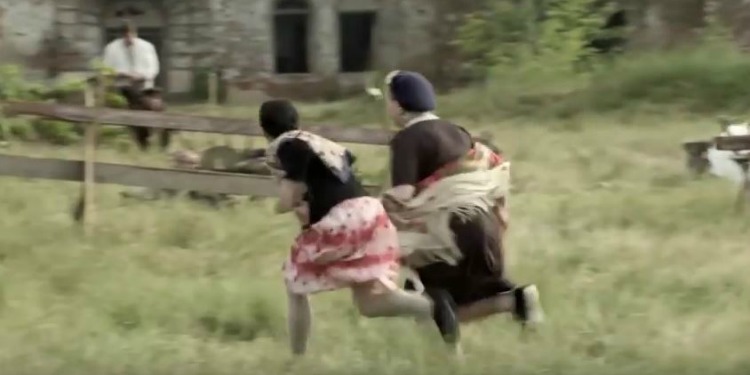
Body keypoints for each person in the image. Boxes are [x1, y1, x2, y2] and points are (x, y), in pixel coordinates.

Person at [259, 99, 459, 356]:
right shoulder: (319, 144)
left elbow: (290, 198)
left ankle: (297, 360)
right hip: (371, 213)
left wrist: (279, 205)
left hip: (344, 219)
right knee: (371, 303)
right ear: (297, 121)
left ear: (264, 129)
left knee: (294, 283)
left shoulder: (289, 145)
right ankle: (430, 305)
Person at [379, 70, 544, 345]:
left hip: (450, 235)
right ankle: (517, 300)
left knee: (434, 298)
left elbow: (403, 195)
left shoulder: (407, 138)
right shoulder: (457, 131)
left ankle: (449, 359)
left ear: (397, 104)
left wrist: (372, 205)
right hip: (485, 231)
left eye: (388, 100)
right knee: (467, 300)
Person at [102, 19, 171, 151]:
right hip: (123, 88)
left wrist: (141, 75)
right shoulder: (111, 48)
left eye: (131, 36)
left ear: (135, 34)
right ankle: (143, 142)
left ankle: (163, 141)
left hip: (145, 86)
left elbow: (153, 68)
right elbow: (106, 70)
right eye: (126, 36)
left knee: (158, 106)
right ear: (122, 35)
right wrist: (122, 74)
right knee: (137, 109)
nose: (129, 39)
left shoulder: (147, 47)